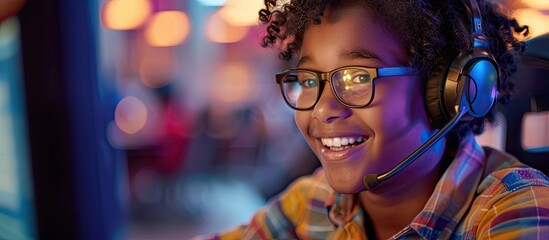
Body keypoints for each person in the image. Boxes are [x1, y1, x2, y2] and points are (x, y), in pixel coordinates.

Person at [203, 0, 549, 239]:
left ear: (449, 90)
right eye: (309, 81)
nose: (322, 109)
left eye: (357, 78)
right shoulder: (313, 201)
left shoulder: (516, 210)